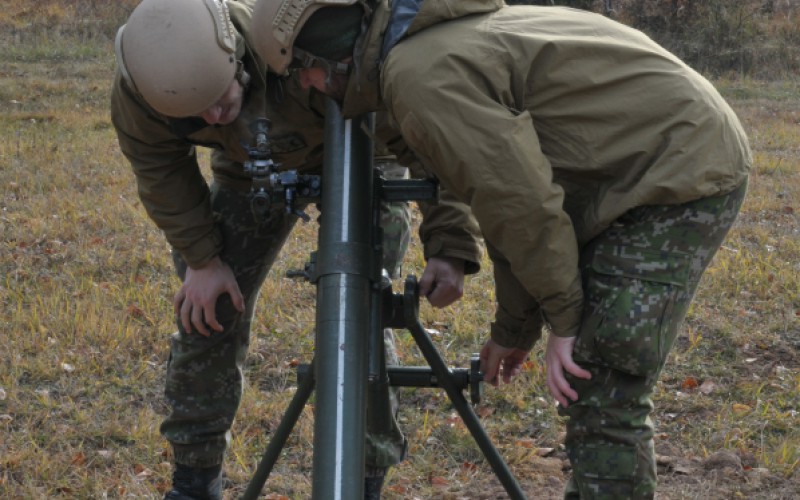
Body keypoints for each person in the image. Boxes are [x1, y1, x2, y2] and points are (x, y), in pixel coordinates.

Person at [251, 0, 752, 498]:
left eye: (301, 70)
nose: (306, 86)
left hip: (675, 170)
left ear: (332, 56)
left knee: (601, 384)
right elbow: (504, 203)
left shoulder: (420, 77)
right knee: (591, 381)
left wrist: (565, 320)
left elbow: (520, 205)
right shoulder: (418, 52)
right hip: (640, 164)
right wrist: (514, 330)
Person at [110, 0, 483, 498]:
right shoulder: (143, 90)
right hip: (252, 166)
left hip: (364, 146)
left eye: (220, 98)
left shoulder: (301, 42)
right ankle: (195, 480)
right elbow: (160, 169)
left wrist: (450, 242)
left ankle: (362, 478)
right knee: (207, 312)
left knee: (360, 312)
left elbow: (429, 132)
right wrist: (203, 259)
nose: (212, 117)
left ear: (236, 56)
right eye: (195, 115)